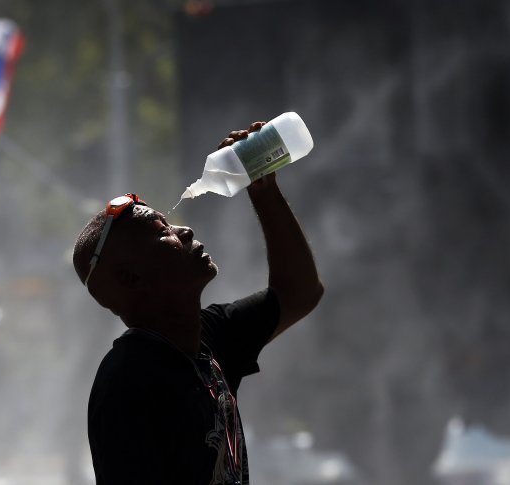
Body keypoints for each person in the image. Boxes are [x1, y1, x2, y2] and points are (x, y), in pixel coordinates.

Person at [72, 121, 324, 484]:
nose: (184, 231)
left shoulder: (209, 336)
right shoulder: (128, 381)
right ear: (131, 278)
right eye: (162, 232)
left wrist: (264, 191)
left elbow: (300, 292)